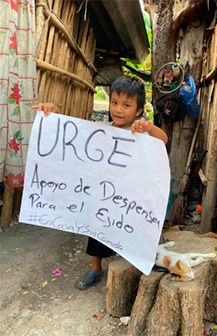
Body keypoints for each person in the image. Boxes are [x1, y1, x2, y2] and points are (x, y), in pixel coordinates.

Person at [32, 76, 168, 290]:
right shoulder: (101, 131)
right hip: (104, 194)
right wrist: (52, 115)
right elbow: (70, 134)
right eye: (114, 102)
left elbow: (163, 140)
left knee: (134, 229)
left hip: (130, 196)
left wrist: (149, 128)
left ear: (139, 110)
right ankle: (95, 268)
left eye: (126, 105)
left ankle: (139, 262)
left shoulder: (141, 131)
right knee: (97, 229)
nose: (118, 109)